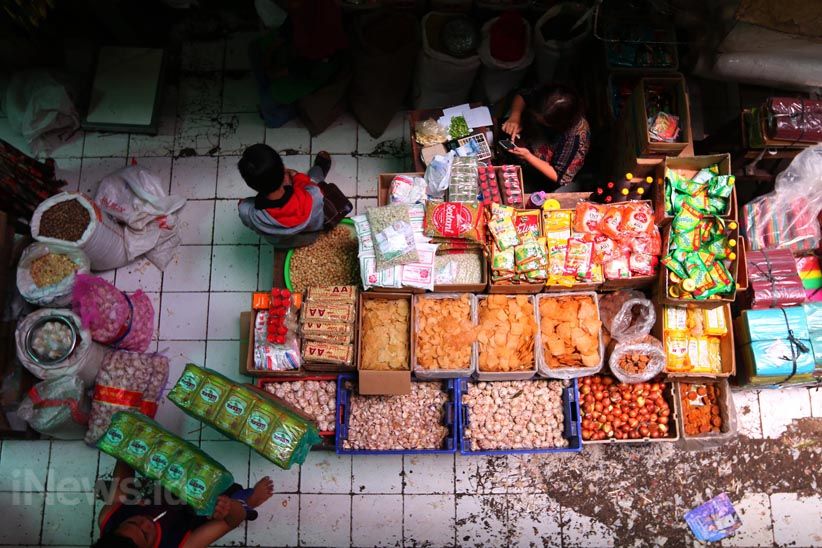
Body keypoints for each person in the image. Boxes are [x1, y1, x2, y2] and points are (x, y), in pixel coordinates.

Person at [92, 459, 274, 548]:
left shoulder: (109, 518)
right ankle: (249, 500)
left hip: (168, 487)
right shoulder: (178, 545)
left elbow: (124, 471)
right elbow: (230, 522)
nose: (146, 523)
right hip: (204, 509)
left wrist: (126, 443)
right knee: (231, 499)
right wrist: (228, 508)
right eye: (146, 534)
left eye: (132, 522)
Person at [237, 143, 333, 248]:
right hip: (312, 234)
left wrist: (243, 203)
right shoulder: (313, 195)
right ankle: (319, 169)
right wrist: (296, 176)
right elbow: (313, 189)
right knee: (314, 179)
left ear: (251, 185)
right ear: (283, 168)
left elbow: (244, 207)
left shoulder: (247, 212)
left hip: (284, 243)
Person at [501, 84, 591, 192]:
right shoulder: (548, 96)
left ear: (558, 124)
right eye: (536, 116)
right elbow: (522, 95)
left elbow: (559, 176)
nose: (537, 119)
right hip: (526, 143)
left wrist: (529, 157)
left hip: (540, 174)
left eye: (542, 121)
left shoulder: (576, 138)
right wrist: (515, 116)